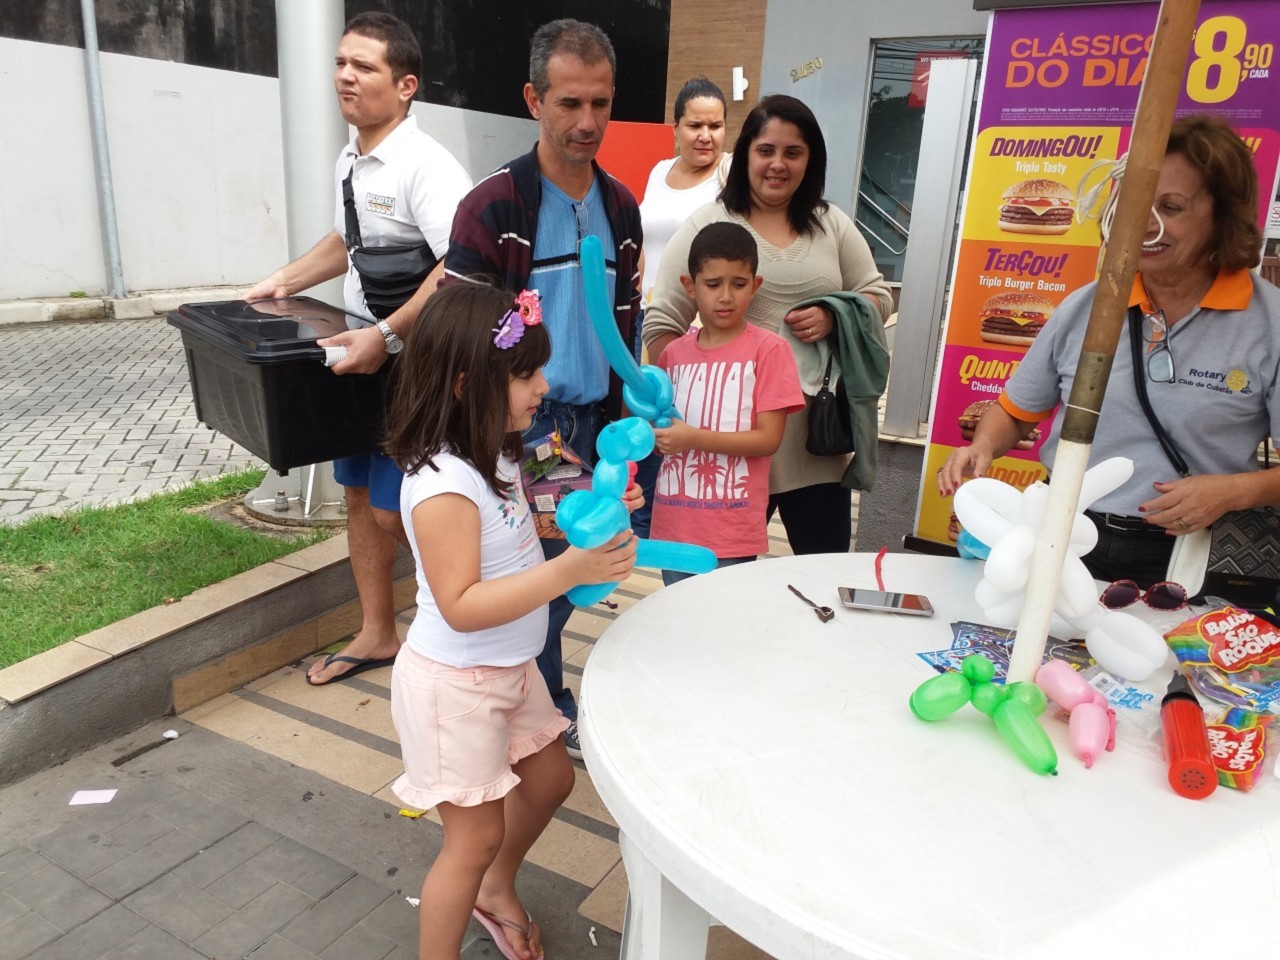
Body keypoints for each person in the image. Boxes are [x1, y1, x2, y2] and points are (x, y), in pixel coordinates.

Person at [383, 282, 636, 960]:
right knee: (472, 841)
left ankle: (495, 890)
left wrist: (599, 510)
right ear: (468, 385)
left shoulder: (496, 445)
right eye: (526, 374)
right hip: (456, 687)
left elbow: (521, 527)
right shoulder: (441, 483)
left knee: (551, 780)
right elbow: (462, 604)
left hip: (510, 668)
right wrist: (569, 571)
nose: (544, 387)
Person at [938, 114, 1280, 589]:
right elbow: (1016, 412)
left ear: (1223, 216)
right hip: (1068, 538)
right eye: (1136, 203)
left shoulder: (1268, 323)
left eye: (1171, 207)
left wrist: (1234, 491)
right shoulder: (1087, 307)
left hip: (1191, 550)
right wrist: (982, 446)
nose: (1147, 223)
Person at [245, 12, 472, 685]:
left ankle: (462, 629)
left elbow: (459, 267)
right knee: (358, 500)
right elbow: (348, 241)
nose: (345, 76)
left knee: (396, 509)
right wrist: (281, 282)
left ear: (405, 85)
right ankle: (378, 633)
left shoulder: (426, 166)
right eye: (341, 62)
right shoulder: (352, 158)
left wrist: (389, 334)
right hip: (361, 358)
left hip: (418, 368)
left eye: (364, 66)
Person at [443, 19, 642, 759]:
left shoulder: (621, 207)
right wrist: (499, 428)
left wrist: (630, 419)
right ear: (533, 100)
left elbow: (627, 324)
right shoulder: (493, 205)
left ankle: (532, 715)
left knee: (567, 573)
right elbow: (460, 337)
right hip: (525, 424)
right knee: (540, 574)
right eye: (568, 103)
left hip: (597, 421)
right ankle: (539, 718)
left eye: (600, 103)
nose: (587, 121)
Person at [644, 95, 893, 556]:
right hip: (726, 459)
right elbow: (662, 323)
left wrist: (836, 314)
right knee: (716, 585)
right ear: (745, 155)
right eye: (765, 151)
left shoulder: (831, 224)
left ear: (810, 160)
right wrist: (684, 401)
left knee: (820, 579)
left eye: (793, 152)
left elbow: (879, 296)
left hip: (816, 448)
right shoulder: (709, 224)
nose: (778, 164)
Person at [650, 222, 803, 584]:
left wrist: (691, 438)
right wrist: (656, 438)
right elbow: (662, 431)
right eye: (713, 284)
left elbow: (768, 439)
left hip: (731, 531)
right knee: (677, 614)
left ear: (755, 285)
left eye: (738, 284)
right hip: (672, 525)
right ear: (690, 285)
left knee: (722, 618)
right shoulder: (672, 355)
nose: (725, 296)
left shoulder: (770, 351)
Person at [638, 76, 729, 300]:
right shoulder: (660, 171)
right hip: (646, 309)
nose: (705, 136)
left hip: (696, 313)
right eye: (695, 126)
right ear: (675, 128)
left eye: (715, 126)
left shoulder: (732, 173)